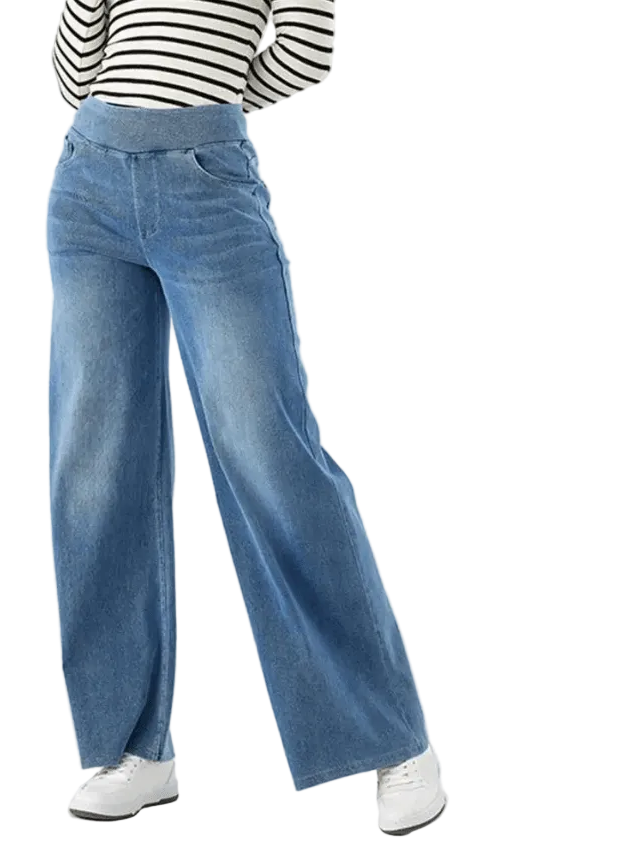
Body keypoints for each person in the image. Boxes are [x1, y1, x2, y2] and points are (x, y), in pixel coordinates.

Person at [46, 0, 447, 835]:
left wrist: (210, 105)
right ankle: (135, 748)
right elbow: (72, 72)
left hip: (206, 185)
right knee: (94, 468)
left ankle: (395, 739)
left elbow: (307, 49)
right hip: (87, 178)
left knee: (270, 455)